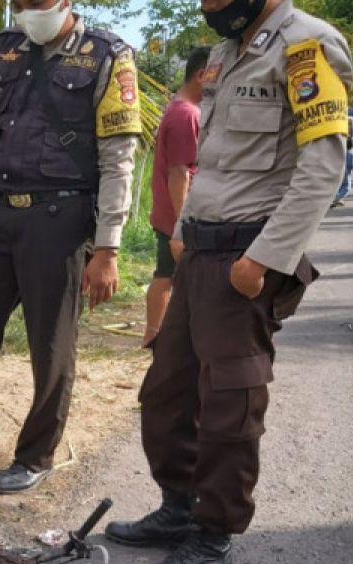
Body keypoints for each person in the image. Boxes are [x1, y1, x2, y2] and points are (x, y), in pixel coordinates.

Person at [104, 0, 352, 564]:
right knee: (166, 389)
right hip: (201, 254)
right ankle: (178, 507)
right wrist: (185, 232)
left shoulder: (306, 45)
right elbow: (211, 160)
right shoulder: (224, 54)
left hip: (247, 258)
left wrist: (261, 262)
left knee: (228, 403)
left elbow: (323, 167)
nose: (206, 5)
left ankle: (213, 539)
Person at [0, 0, 141, 494]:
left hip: (62, 219)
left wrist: (107, 248)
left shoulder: (107, 55)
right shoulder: (3, 52)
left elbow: (118, 159)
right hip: (2, 213)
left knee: (50, 346)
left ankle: (36, 453)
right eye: (18, 3)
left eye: (35, 2)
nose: (26, 10)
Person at [145, 47, 211, 346]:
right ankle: (154, 336)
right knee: (168, 275)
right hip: (176, 216)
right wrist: (181, 227)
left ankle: (158, 335)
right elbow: (179, 173)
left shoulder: (180, 108)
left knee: (168, 274)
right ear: (201, 75)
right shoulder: (187, 115)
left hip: (171, 213)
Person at [332, 112, 353, 207]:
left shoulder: (338, 148)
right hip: (345, 168)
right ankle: (337, 198)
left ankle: (337, 198)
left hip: (338, 167)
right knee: (346, 185)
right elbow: (352, 164)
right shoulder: (350, 151)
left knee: (339, 183)